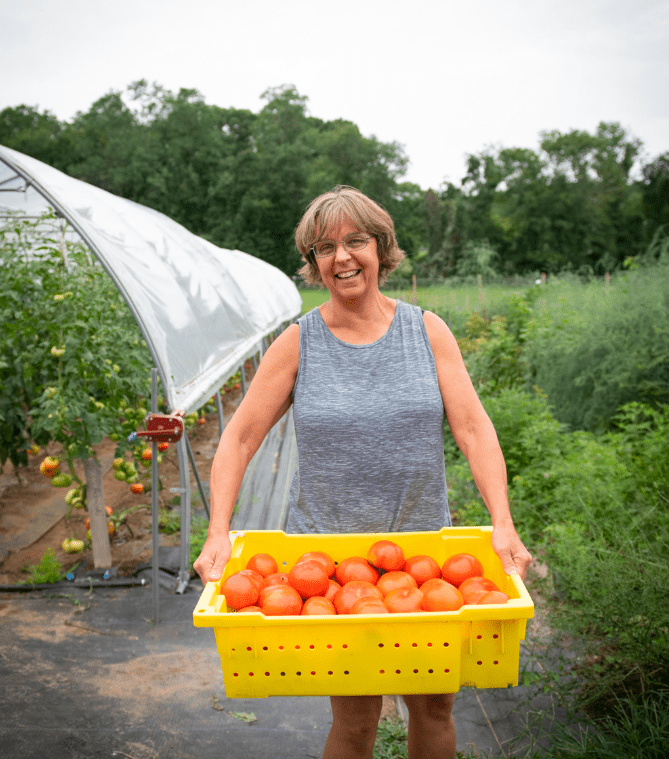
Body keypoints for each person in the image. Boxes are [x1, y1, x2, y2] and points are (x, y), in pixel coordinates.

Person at [192, 185, 533, 759]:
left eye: (356, 241)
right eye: (325, 247)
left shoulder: (426, 332)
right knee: (356, 716)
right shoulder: (300, 342)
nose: (342, 257)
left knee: (433, 706)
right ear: (314, 263)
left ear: (381, 249)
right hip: (328, 568)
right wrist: (217, 531)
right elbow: (241, 436)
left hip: (424, 556)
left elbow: (474, 429)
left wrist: (503, 522)